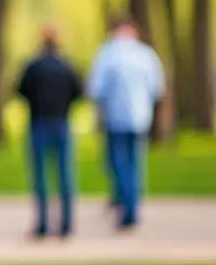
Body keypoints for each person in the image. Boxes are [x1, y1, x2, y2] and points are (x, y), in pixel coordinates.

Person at [86, 14, 164, 231]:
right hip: (141, 118)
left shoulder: (108, 54)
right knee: (135, 163)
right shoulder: (146, 55)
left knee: (118, 163)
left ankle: (126, 206)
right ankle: (131, 204)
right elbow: (157, 88)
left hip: (116, 117)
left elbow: (96, 89)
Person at [16, 25, 83, 239]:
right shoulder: (67, 66)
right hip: (61, 122)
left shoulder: (33, 67)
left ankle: (43, 224)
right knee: (65, 175)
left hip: (38, 122)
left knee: (41, 176)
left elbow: (21, 90)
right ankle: (66, 224)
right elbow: (78, 92)